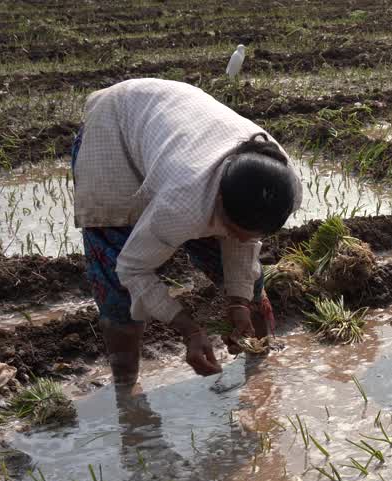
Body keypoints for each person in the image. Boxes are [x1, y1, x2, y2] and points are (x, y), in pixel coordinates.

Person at [72, 78, 301, 385]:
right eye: (234, 229)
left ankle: (262, 372)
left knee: (252, 281)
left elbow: (244, 244)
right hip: (115, 132)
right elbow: (132, 268)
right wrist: (188, 329)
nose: (244, 240)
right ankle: (127, 396)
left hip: (183, 129)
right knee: (118, 289)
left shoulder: (282, 183)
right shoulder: (182, 203)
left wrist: (239, 302)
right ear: (218, 202)